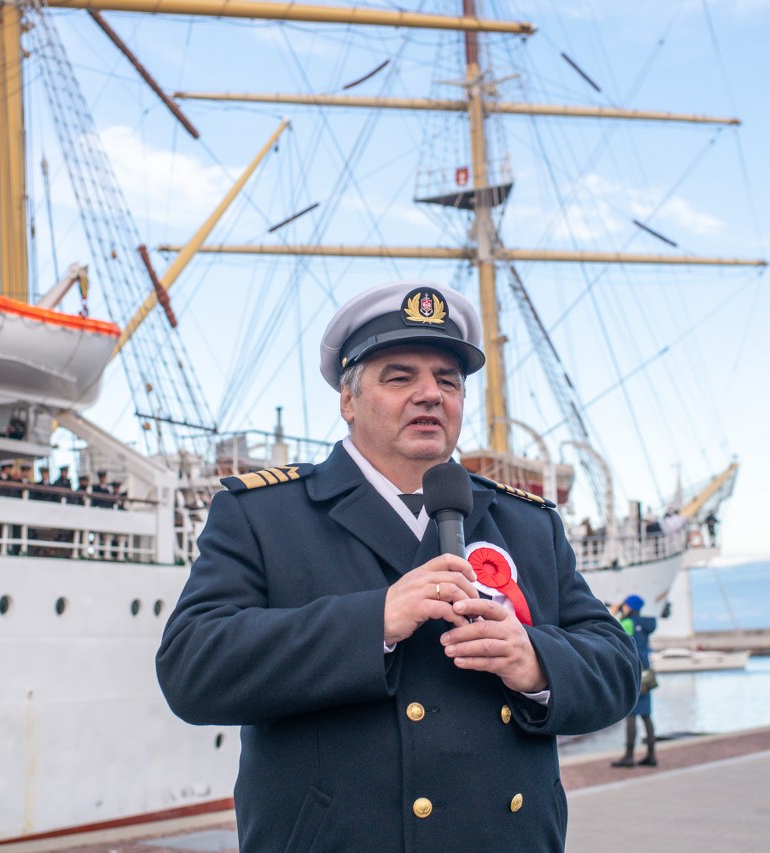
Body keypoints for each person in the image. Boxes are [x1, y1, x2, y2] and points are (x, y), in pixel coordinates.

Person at [157, 280, 638, 852]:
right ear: (347, 400)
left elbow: (617, 666)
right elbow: (192, 669)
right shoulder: (263, 515)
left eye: (448, 381)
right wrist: (374, 621)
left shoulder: (527, 522)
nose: (430, 394)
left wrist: (535, 662)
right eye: (400, 377)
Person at [609, 594, 657, 767]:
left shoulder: (628, 622)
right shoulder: (644, 623)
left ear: (630, 607)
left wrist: (614, 613)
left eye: (625, 605)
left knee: (631, 715)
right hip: (646, 672)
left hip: (635, 673)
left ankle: (629, 756)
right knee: (646, 715)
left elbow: (615, 635)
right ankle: (651, 755)